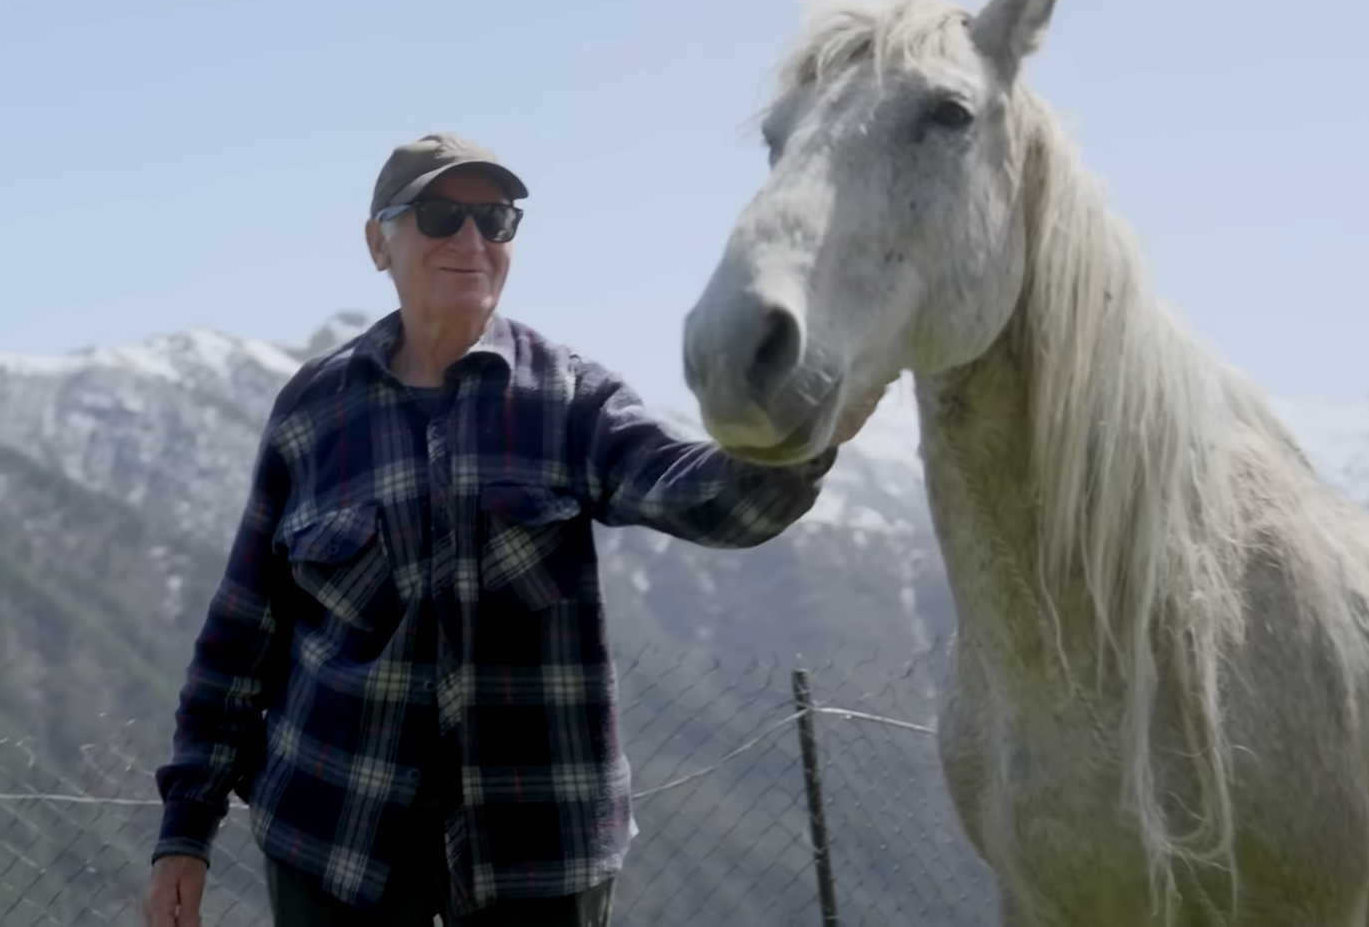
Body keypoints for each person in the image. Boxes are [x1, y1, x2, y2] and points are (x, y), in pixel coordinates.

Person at [143, 133, 883, 926]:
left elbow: (709, 499)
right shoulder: (311, 413)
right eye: (439, 215)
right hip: (333, 841)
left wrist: (810, 436)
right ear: (376, 243)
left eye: (495, 220)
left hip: (537, 854)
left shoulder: (570, 398)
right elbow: (238, 637)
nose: (471, 241)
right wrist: (185, 830)